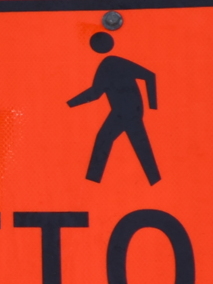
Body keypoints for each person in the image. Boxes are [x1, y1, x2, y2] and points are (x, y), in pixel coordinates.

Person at [67, 31, 159, 185]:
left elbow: (150, 76)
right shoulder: (110, 64)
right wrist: (71, 103)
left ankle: (91, 181)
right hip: (125, 111)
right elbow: (96, 93)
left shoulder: (111, 64)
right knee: (134, 144)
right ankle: (154, 180)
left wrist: (153, 105)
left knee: (109, 139)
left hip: (127, 111)